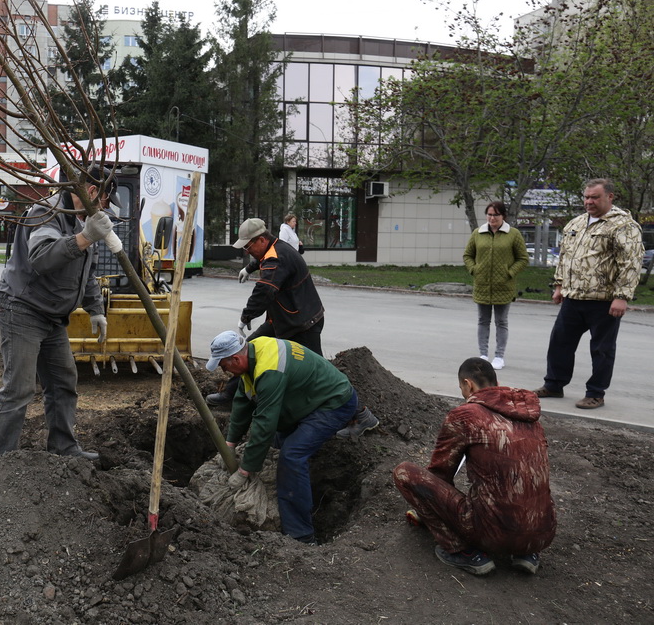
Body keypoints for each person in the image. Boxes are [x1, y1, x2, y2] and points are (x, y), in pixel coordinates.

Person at [0, 166, 118, 462]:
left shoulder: (81, 221)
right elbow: (42, 257)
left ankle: (63, 447)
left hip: (52, 316)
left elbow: (87, 272)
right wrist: (84, 237)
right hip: (22, 308)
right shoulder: (46, 212)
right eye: (106, 199)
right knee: (18, 389)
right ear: (92, 192)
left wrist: (96, 309)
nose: (106, 207)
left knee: (62, 381)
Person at [393, 357, 556, 576]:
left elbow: (441, 473)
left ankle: (463, 552)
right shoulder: (531, 419)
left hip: (492, 533)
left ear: (468, 384)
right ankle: (526, 552)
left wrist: (428, 507)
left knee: (404, 472)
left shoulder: (466, 415)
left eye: (461, 387)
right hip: (542, 533)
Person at [219, 218, 379, 439]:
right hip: (282, 320)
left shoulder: (276, 257)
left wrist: (246, 316)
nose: (247, 251)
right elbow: (263, 257)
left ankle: (361, 415)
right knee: (248, 350)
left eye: (248, 247)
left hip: (302, 323)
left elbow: (264, 291)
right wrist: (249, 266)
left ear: (261, 239)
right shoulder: (274, 248)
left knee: (322, 372)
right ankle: (230, 393)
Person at [207, 330, 358, 544]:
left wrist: (245, 469)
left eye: (224, 366)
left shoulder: (269, 369)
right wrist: (230, 443)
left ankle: (301, 535)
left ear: (236, 358)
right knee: (278, 444)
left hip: (333, 402)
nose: (225, 372)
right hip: (307, 397)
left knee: (292, 455)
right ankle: (286, 498)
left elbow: (265, 422)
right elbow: (243, 400)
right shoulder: (254, 351)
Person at [534, 178, 644, 410]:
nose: (589, 201)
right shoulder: (576, 223)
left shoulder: (623, 225)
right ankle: (554, 384)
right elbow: (564, 257)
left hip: (603, 301)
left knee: (601, 350)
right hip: (574, 298)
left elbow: (630, 263)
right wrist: (559, 285)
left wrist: (622, 296)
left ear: (610, 197)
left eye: (594, 197)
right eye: (586, 197)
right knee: (559, 344)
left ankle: (595, 393)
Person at [462, 201, 529, 370]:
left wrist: (509, 272)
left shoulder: (513, 234)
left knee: (501, 322)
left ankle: (499, 356)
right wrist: (474, 269)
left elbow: (523, 258)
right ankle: (483, 354)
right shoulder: (478, 233)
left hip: (503, 286)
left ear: (503, 216)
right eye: (490, 214)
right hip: (482, 285)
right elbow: (468, 255)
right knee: (483, 321)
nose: (492, 218)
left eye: (496, 215)